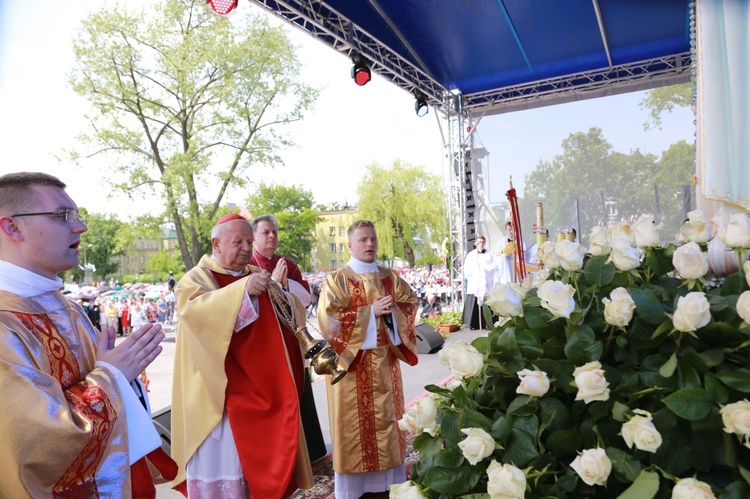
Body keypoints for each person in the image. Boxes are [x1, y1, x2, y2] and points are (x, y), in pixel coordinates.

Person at [0, 172, 174, 497]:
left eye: (78, 216)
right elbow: (34, 446)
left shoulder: (67, 307)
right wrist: (113, 375)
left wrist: (124, 374)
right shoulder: (4, 324)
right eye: (63, 215)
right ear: (12, 227)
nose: (80, 227)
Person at [170, 213, 313, 497]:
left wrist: (280, 289)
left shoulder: (254, 274)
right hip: (217, 396)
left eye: (250, 241)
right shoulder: (195, 278)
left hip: (260, 387)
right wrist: (242, 292)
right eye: (239, 241)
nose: (248, 248)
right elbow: (197, 317)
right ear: (216, 243)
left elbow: (290, 314)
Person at [317, 220, 419, 499]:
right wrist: (369, 313)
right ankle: (353, 489)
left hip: (386, 366)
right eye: (363, 239)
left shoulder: (390, 277)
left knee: (388, 423)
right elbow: (329, 320)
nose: (370, 244)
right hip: (352, 371)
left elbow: (409, 304)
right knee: (354, 432)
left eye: (373, 238)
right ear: (350, 245)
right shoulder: (337, 279)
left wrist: (392, 313)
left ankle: (388, 483)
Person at [249, 214, 327, 463]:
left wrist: (285, 285)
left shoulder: (288, 263)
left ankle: (311, 452)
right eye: (266, 232)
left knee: (300, 396)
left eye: (274, 232)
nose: (272, 236)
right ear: (254, 238)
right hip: (264, 346)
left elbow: (305, 299)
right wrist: (273, 284)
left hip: (293, 341)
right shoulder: (248, 265)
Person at [462, 235, 498, 329]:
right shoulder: (471, 255)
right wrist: (476, 272)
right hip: (476, 283)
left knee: (487, 302)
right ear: (476, 243)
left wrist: (485, 270)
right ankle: (474, 323)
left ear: (485, 243)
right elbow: (467, 269)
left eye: (482, 242)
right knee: (475, 302)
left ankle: (488, 323)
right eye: (479, 242)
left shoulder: (490, 254)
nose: (481, 244)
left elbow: (494, 267)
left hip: (487, 283)